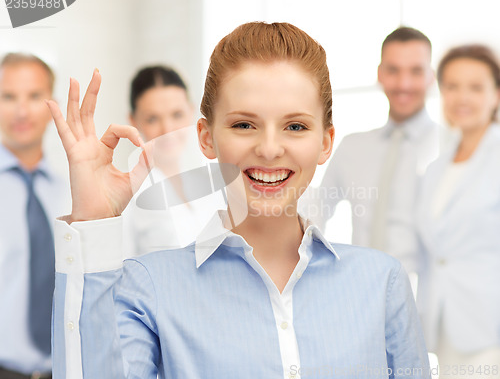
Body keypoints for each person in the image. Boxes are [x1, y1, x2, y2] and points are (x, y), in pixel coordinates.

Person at [48, 22, 430, 378]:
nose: (268, 148)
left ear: (325, 141)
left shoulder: (382, 283)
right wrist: (92, 222)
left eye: (295, 126)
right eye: (243, 125)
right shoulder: (148, 286)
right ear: (206, 137)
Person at [301, 26, 438, 274]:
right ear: (380, 74)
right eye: (393, 70)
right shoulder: (353, 147)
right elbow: (315, 212)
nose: (403, 83)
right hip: (362, 290)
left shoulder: (451, 149)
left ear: (431, 76)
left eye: (416, 71)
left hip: (426, 300)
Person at [416, 45, 500, 378]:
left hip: (490, 323)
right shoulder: (438, 165)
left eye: (475, 87)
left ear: (496, 94)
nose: (461, 97)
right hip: (444, 323)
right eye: (452, 86)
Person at [0, 54, 69, 378]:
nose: (22, 111)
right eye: (8, 96)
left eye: (34, 96)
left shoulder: (72, 193)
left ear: (51, 105)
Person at [122, 65, 222, 256]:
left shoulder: (212, 187)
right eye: (152, 119)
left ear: (192, 111)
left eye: (177, 115)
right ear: (133, 121)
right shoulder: (127, 198)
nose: (167, 129)